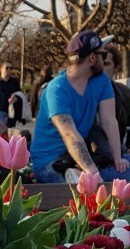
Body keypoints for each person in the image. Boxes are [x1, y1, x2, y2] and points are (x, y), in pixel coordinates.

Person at [30, 30, 130, 183]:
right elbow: (70, 135)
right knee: (123, 178)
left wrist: (118, 159)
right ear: (92, 58)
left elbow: (109, 121)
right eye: (102, 55)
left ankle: (78, 175)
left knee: (125, 167)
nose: (104, 60)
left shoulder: (101, 80)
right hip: (50, 164)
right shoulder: (57, 89)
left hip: (79, 161)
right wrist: (93, 175)